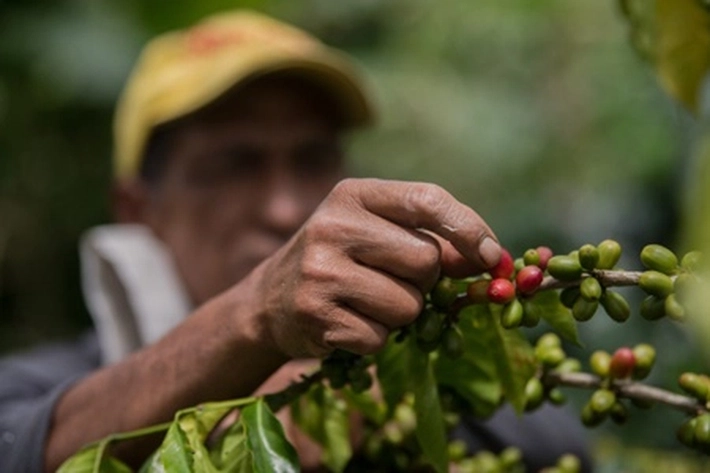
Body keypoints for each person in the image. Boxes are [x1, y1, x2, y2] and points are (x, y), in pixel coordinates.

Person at [0, 10, 590, 472]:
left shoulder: (412, 379)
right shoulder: (49, 385)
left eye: (311, 160)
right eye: (234, 164)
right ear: (138, 209)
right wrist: (257, 320)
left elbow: (562, 445)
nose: (284, 207)